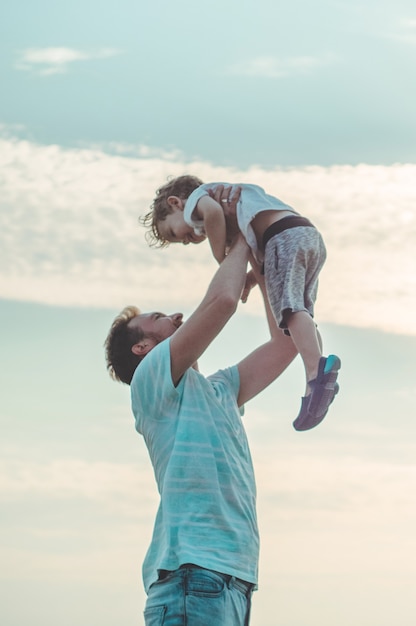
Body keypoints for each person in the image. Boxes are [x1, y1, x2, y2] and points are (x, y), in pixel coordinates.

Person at [104, 189, 297, 625]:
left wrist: (263, 270)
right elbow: (222, 303)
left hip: (234, 582)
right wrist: (241, 234)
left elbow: (284, 346)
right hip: (194, 578)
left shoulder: (220, 391)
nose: (173, 315)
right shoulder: (152, 381)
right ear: (142, 347)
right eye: (156, 318)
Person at [140, 175, 341, 431]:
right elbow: (261, 255)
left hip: (282, 237)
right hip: (304, 235)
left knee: (290, 311)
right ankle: (315, 380)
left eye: (175, 233)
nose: (188, 240)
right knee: (300, 313)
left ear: (175, 203)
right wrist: (250, 278)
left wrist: (222, 260)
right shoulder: (238, 207)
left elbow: (212, 215)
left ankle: (317, 374)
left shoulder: (199, 202)